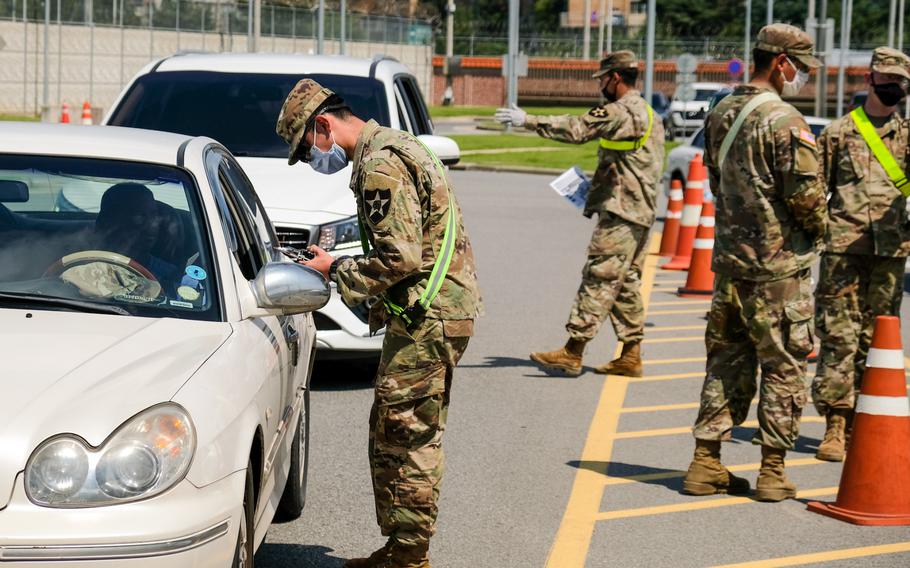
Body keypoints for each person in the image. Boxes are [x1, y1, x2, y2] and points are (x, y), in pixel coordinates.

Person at [275, 79, 481, 568]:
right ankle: (403, 548)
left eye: (307, 150)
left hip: (427, 317)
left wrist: (333, 270)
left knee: (406, 435)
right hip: (436, 310)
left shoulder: (379, 165)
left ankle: (409, 556)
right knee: (399, 429)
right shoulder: (395, 145)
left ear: (322, 125)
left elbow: (401, 256)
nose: (312, 161)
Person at [682, 23, 828, 502]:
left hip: (730, 265)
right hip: (778, 270)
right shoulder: (785, 120)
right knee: (784, 366)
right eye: (802, 68)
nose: (803, 76)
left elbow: (715, 177)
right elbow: (806, 197)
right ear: (781, 63)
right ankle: (772, 471)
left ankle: (706, 463)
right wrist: (821, 229)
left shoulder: (721, 109)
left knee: (725, 362)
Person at [494, 50, 664, 378]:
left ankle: (573, 351)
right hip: (638, 212)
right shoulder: (647, 111)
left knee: (599, 276)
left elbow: (577, 128)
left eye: (603, 79)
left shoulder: (620, 110)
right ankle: (631, 354)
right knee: (623, 281)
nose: (601, 85)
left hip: (622, 213)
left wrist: (527, 120)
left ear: (615, 78)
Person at [811, 47, 910, 462]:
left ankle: (867, 422)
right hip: (843, 249)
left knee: (878, 338)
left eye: (900, 84)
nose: (892, 89)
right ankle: (836, 423)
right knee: (838, 333)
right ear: (869, 80)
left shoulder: (908, 136)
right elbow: (815, 191)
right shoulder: (837, 134)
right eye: (886, 81)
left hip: (890, 251)